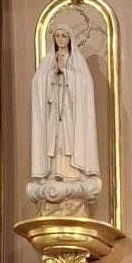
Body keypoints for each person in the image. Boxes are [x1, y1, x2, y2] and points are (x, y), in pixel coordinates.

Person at [28, 23, 102, 214]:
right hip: (53, 113)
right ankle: (54, 173)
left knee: (68, 140)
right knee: (54, 141)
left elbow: (84, 85)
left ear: (70, 39)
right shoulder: (47, 61)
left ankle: (70, 173)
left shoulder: (77, 61)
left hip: (70, 113)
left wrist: (66, 72)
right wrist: (51, 74)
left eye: (64, 36)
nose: (61, 39)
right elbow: (38, 83)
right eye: (58, 36)